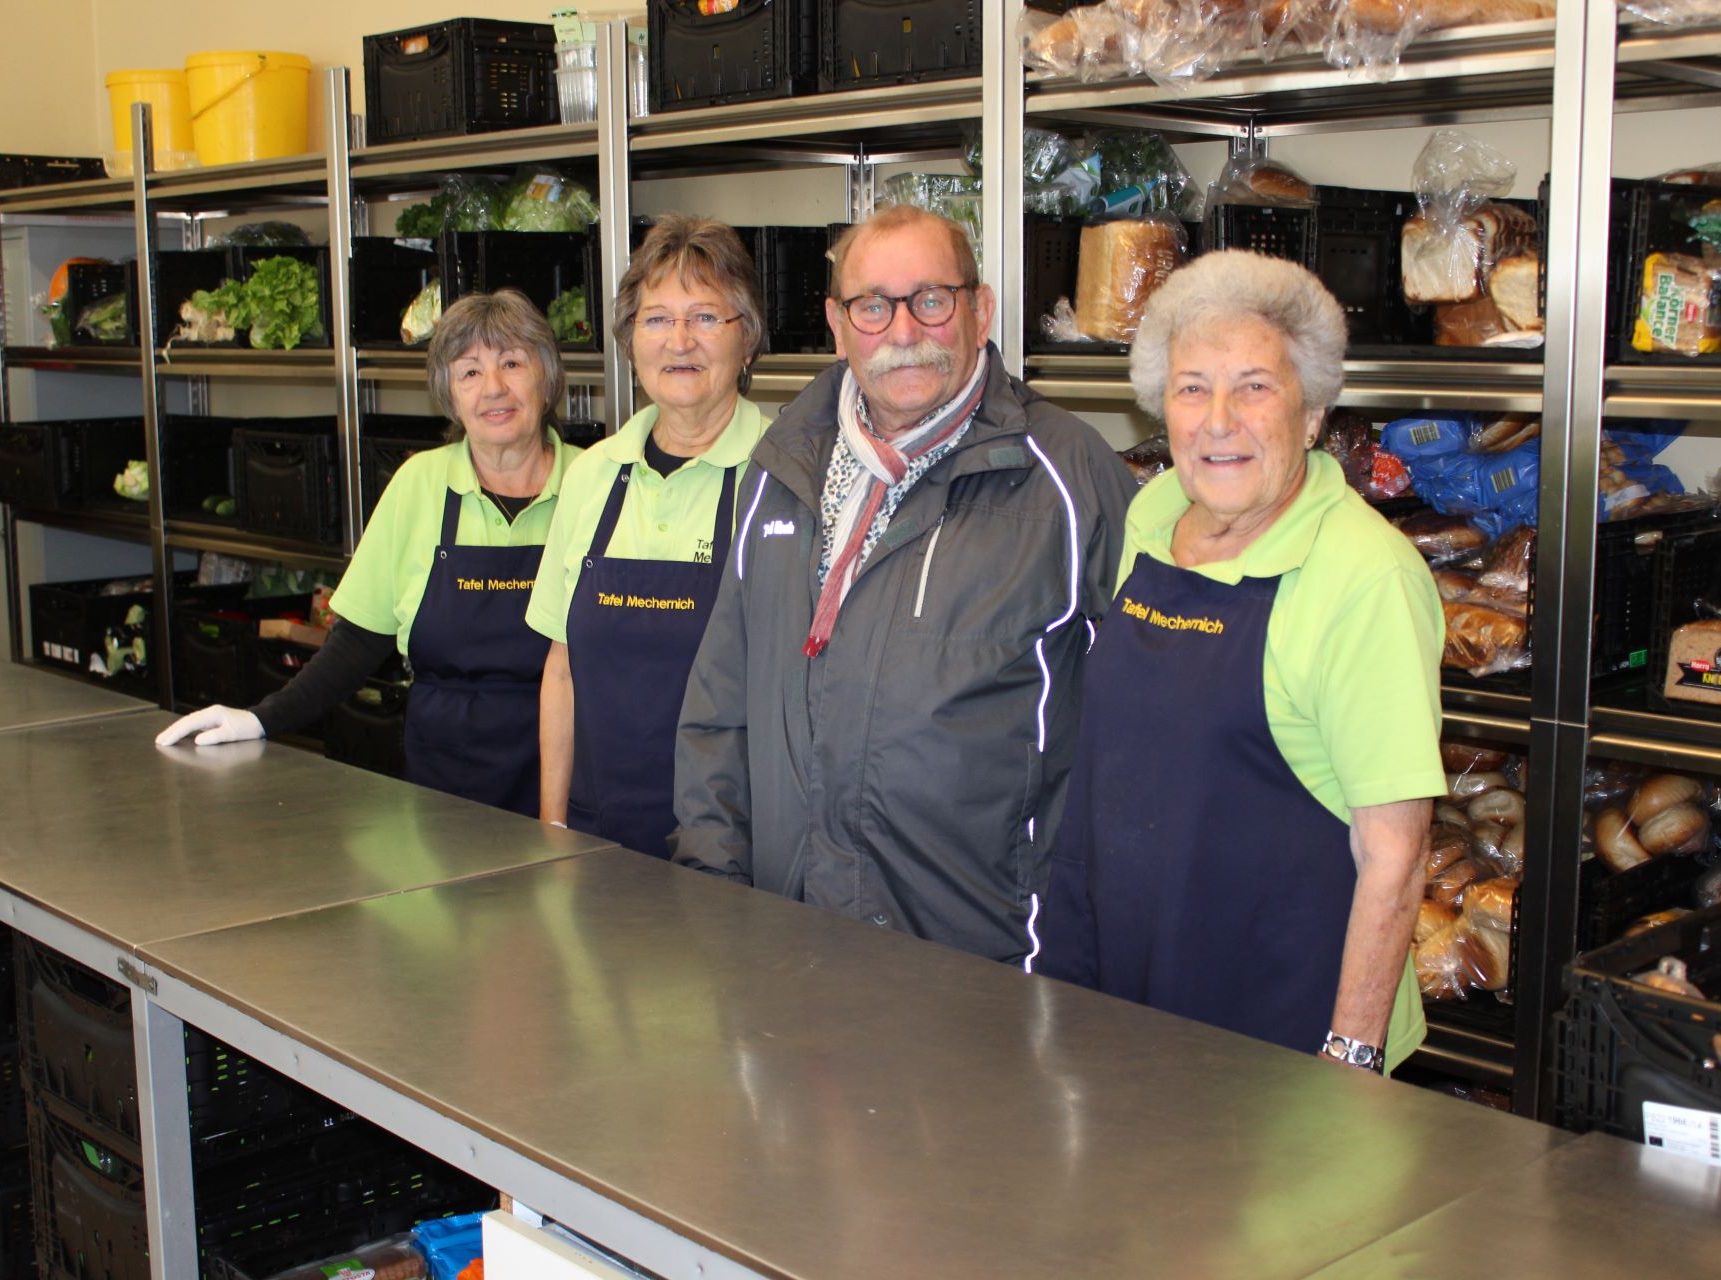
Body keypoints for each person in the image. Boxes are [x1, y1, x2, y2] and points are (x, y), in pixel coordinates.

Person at [671, 205, 1137, 965]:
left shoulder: (1069, 480)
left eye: (931, 299)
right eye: (872, 306)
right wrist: (713, 895)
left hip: (982, 966)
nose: (902, 330)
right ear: (837, 322)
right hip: (787, 944)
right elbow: (720, 707)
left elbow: (1137, 747)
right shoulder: (782, 466)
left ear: (980, 310)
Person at [1035, 251, 1442, 1075]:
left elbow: (1394, 855)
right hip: (1128, 988)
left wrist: (1349, 1059)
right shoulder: (1154, 512)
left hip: (1280, 1026)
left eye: (1254, 385)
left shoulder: (1366, 578)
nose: (1219, 419)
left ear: (1315, 409)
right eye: (1192, 388)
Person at [155, 290, 580, 817]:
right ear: (448, 392)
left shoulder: (595, 483)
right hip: (444, 783)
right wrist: (263, 719)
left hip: (573, 779)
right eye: (469, 371)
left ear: (547, 376)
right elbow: (357, 642)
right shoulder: (419, 485)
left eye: (512, 363)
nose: (494, 388)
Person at [526, 215, 771, 858]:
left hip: (734, 848)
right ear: (631, 342)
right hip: (595, 831)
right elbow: (561, 671)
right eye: (657, 318)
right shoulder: (591, 474)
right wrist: (552, 830)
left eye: (706, 318)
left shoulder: (785, 476)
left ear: (747, 341)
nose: (679, 341)